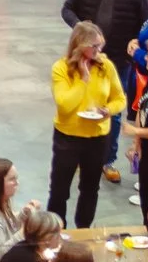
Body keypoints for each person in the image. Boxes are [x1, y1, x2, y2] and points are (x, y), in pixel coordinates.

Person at [47, 22, 126, 229]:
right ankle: (57, 230)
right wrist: (83, 80)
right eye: (94, 47)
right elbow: (64, 105)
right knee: (59, 189)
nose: (99, 51)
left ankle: (83, 229)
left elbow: (120, 99)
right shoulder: (61, 68)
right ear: (80, 45)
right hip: (68, 137)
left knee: (90, 188)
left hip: (97, 137)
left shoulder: (106, 66)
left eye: (101, 46)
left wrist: (108, 110)